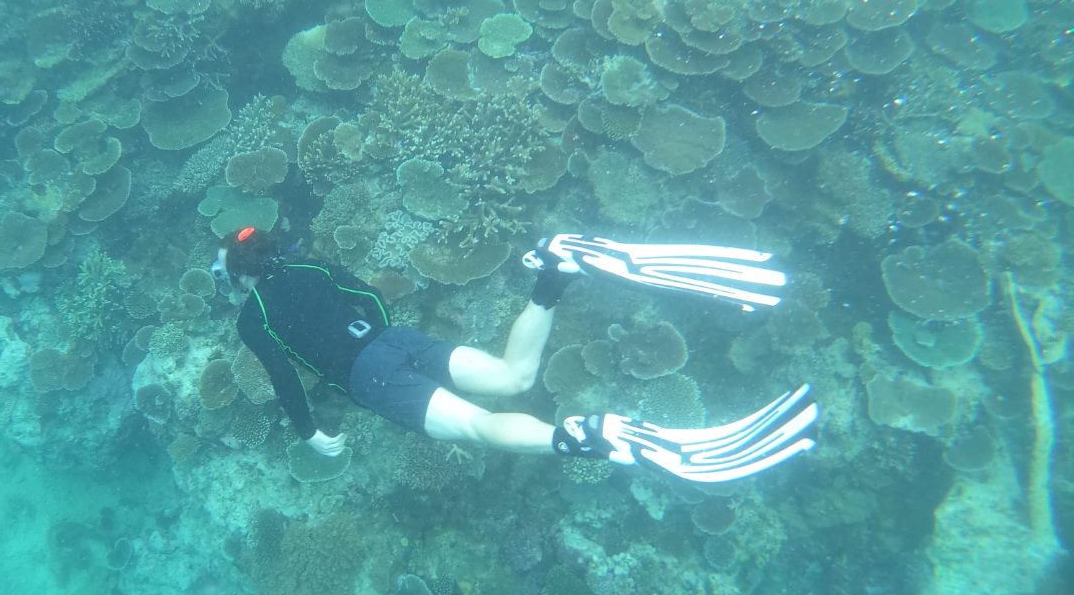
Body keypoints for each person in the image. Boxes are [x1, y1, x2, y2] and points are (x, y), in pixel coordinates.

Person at [212, 226, 818, 484]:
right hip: (396, 342)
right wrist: (378, 338)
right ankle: (554, 272)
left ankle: (585, 436)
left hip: (367, 377)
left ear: (239, 278)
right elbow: (366, 294)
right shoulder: (310, 263)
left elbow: (283, 379)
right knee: (513, 374)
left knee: (478, 426)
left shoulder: (251, 316)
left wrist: (309, 432)